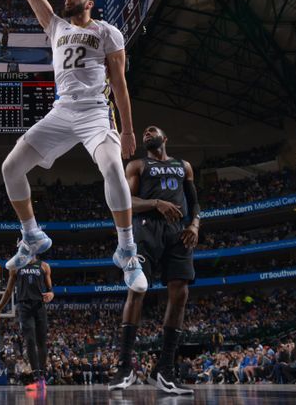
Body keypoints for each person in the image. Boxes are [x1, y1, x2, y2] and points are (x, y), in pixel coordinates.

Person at [1, 0, 145, 296]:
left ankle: (127, 251)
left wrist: (128, 130)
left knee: (113, 167)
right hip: (61, 112)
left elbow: (121, 84)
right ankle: (31, 235)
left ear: (90, 3)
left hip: (96, 112)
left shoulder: (108, 32)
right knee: (11, 167)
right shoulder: (56, 26)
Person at [108, 125, 199, 396]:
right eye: (144, 134)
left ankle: (164, 370)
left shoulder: (184, 166)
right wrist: (156, 202)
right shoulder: (137, 165)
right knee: (137, 290)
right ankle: (125, 367)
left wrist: (194, 225)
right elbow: (124, 202)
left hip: (178, 232)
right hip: (145, 229)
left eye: (152, 131)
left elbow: (194, 202)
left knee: (180, 293)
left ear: (165, 138)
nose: (147, 133)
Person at [0, 256, 54, 393]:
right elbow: (8, 291)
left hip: (39, 306)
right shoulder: (16, 267)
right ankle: (37, 378)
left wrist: (51, 294)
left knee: (41, 342)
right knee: (30, 340)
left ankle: (42, 378)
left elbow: (50, 289)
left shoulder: (44, 266)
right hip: (24, 306)